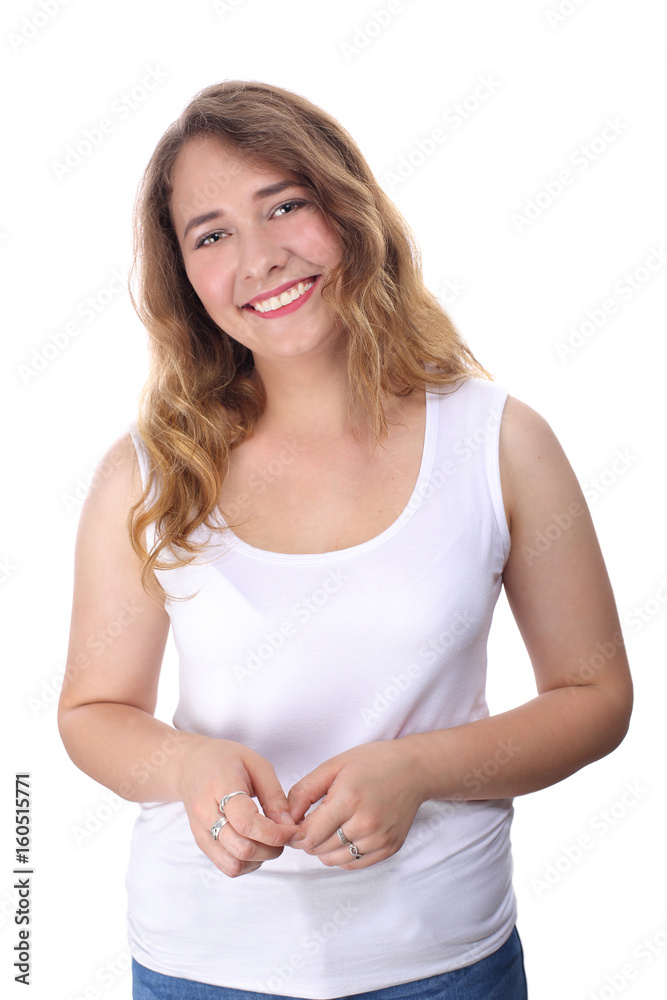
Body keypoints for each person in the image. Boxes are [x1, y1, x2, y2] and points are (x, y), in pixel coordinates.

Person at [57, 80, 633, 1000]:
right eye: (212, 234)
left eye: (285, 204)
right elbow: (91, 713)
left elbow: (596, 695)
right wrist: (189, 766)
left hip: (442, 961)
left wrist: (419, 766)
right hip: (201, 966)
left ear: (348, 210)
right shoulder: (150, 472)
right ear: (185, 277)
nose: (260, 257)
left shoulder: (497, 440)